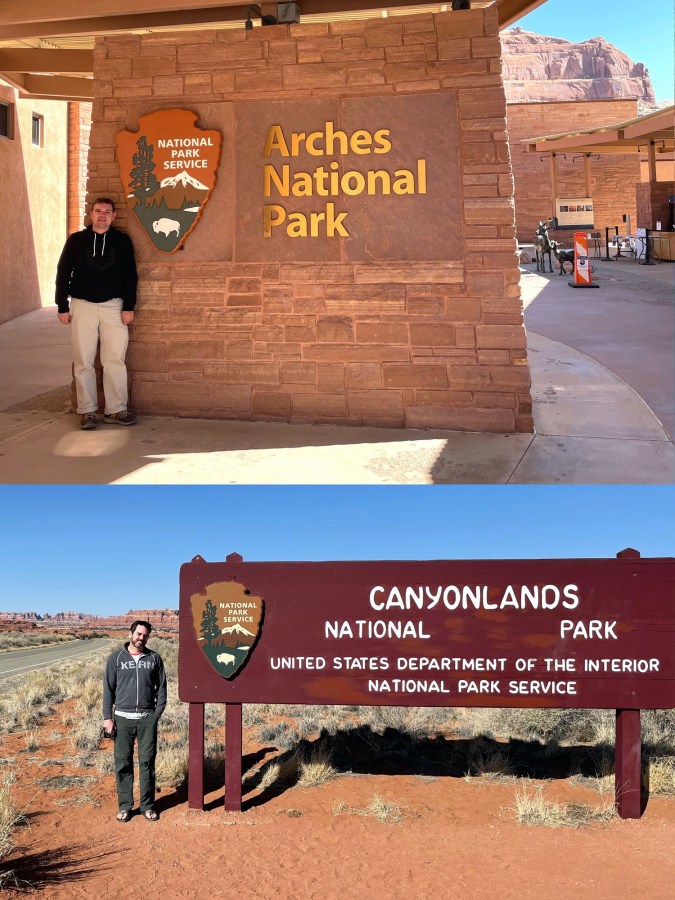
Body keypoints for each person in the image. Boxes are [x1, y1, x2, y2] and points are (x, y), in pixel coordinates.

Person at [55, 197, 138, 430]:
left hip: (114, 306)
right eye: (98, 211)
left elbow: (130, 275)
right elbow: (63, 272)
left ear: (113, 216)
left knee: (114, 359)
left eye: (107, 212)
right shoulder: (76, 241)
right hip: (82, 305)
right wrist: (61, 305)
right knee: (84, 359)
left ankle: (116, 409)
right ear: (91, 214)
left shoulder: (122, 241)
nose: (102, 215)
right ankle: (88, 411)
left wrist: (129, 306)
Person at [103, 620, 167, 822]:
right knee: (123, 762)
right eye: (139, 634)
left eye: (145, 635)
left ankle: (147, 806)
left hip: (147, 718)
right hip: (122, 719)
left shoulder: (154, 658)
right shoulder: (116, 658)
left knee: (147, 762)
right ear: (130, 633)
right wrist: (108, 718)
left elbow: (162, 688)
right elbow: (108, 690)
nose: (142, 638)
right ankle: (125, 807)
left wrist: (156, 715)